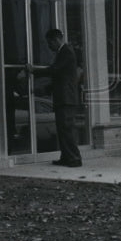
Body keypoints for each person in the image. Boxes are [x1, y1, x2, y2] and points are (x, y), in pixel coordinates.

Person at [26, 28, 82, 167]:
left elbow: (54, 70)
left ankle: (74, 158)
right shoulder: (63, 52)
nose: (49, 47)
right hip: (63, 98)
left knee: (67, 129)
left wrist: (33, 70)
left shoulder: (66, 52)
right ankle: (67, 157)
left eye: (49, 43)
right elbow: (59, 77)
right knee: (63, 129)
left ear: (56, 40)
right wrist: (43, 89)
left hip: (66, 99)